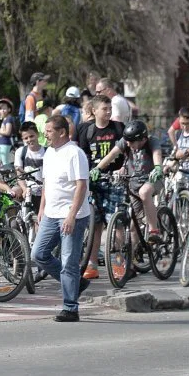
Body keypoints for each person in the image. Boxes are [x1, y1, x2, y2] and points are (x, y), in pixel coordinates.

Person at [31, 114, 92, 323]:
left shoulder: (75, 154)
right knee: (38, 254)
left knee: (69, 262)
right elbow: (47, 182)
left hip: (71, 215)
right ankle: (76, 284)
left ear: (62, 132)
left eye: (49, 131)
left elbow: (81, 186)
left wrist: (71, 216)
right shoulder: (49, 153)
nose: (45, 135)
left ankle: (70, 308)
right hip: (51, 213)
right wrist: (42, 208)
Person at [95, 120, 165, 270]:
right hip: (133, 184)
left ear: (143, 139)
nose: (129, 145)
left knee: (145, 192)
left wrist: (158, 168)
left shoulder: (152, 142)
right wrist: (98, 169)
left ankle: (154, 231)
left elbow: (157, 154)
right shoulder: (126, 142)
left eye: (132, 142)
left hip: (152, 181)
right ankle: (128, 265)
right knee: (133, 227)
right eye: (127, 142)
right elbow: (112, 154)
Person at [74, 94, 123, 280]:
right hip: (93, 182)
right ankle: (92, 264)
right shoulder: (85, 130)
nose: (109, 112)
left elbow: (125, 151)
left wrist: (123, 168)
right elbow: (81, 155)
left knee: (116, 222)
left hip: (114, 180)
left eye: (110, 108)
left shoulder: (118, 128)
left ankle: (119, 261)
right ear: (94, 111)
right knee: (95, 224)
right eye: (105, 109)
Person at [13, 121, 45, 201]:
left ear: (37, 134)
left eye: (31, 136)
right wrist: (24, 189)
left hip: (45, 187)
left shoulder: (47, 151)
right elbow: (19, 176)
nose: (29, 140)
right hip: (28, 187)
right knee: (13, 192)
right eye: (26, 138)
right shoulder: (20, 152)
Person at [0, 98, 17, 165]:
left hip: (5, 143)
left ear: (9, 109)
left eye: (4, 109)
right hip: (1, 142)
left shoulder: (9, 119)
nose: (2, 111)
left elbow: (7, 132)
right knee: (0, 161)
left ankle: (7, 175)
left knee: (5, 162)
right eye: (0, 109)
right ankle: (4, 174)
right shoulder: (5, 119)